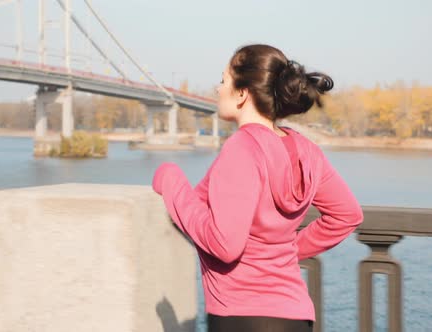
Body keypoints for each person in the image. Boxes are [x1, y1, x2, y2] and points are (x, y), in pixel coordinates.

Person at [152, 44, 363, 332]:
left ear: (242, 93)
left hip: (241, 316)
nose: (218, 89)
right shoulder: (307, 150)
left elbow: (225, 246)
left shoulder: (242, 147)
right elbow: (347, 215)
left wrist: (170, 181)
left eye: (223, 80)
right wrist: (286, 250)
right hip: (295, 316)